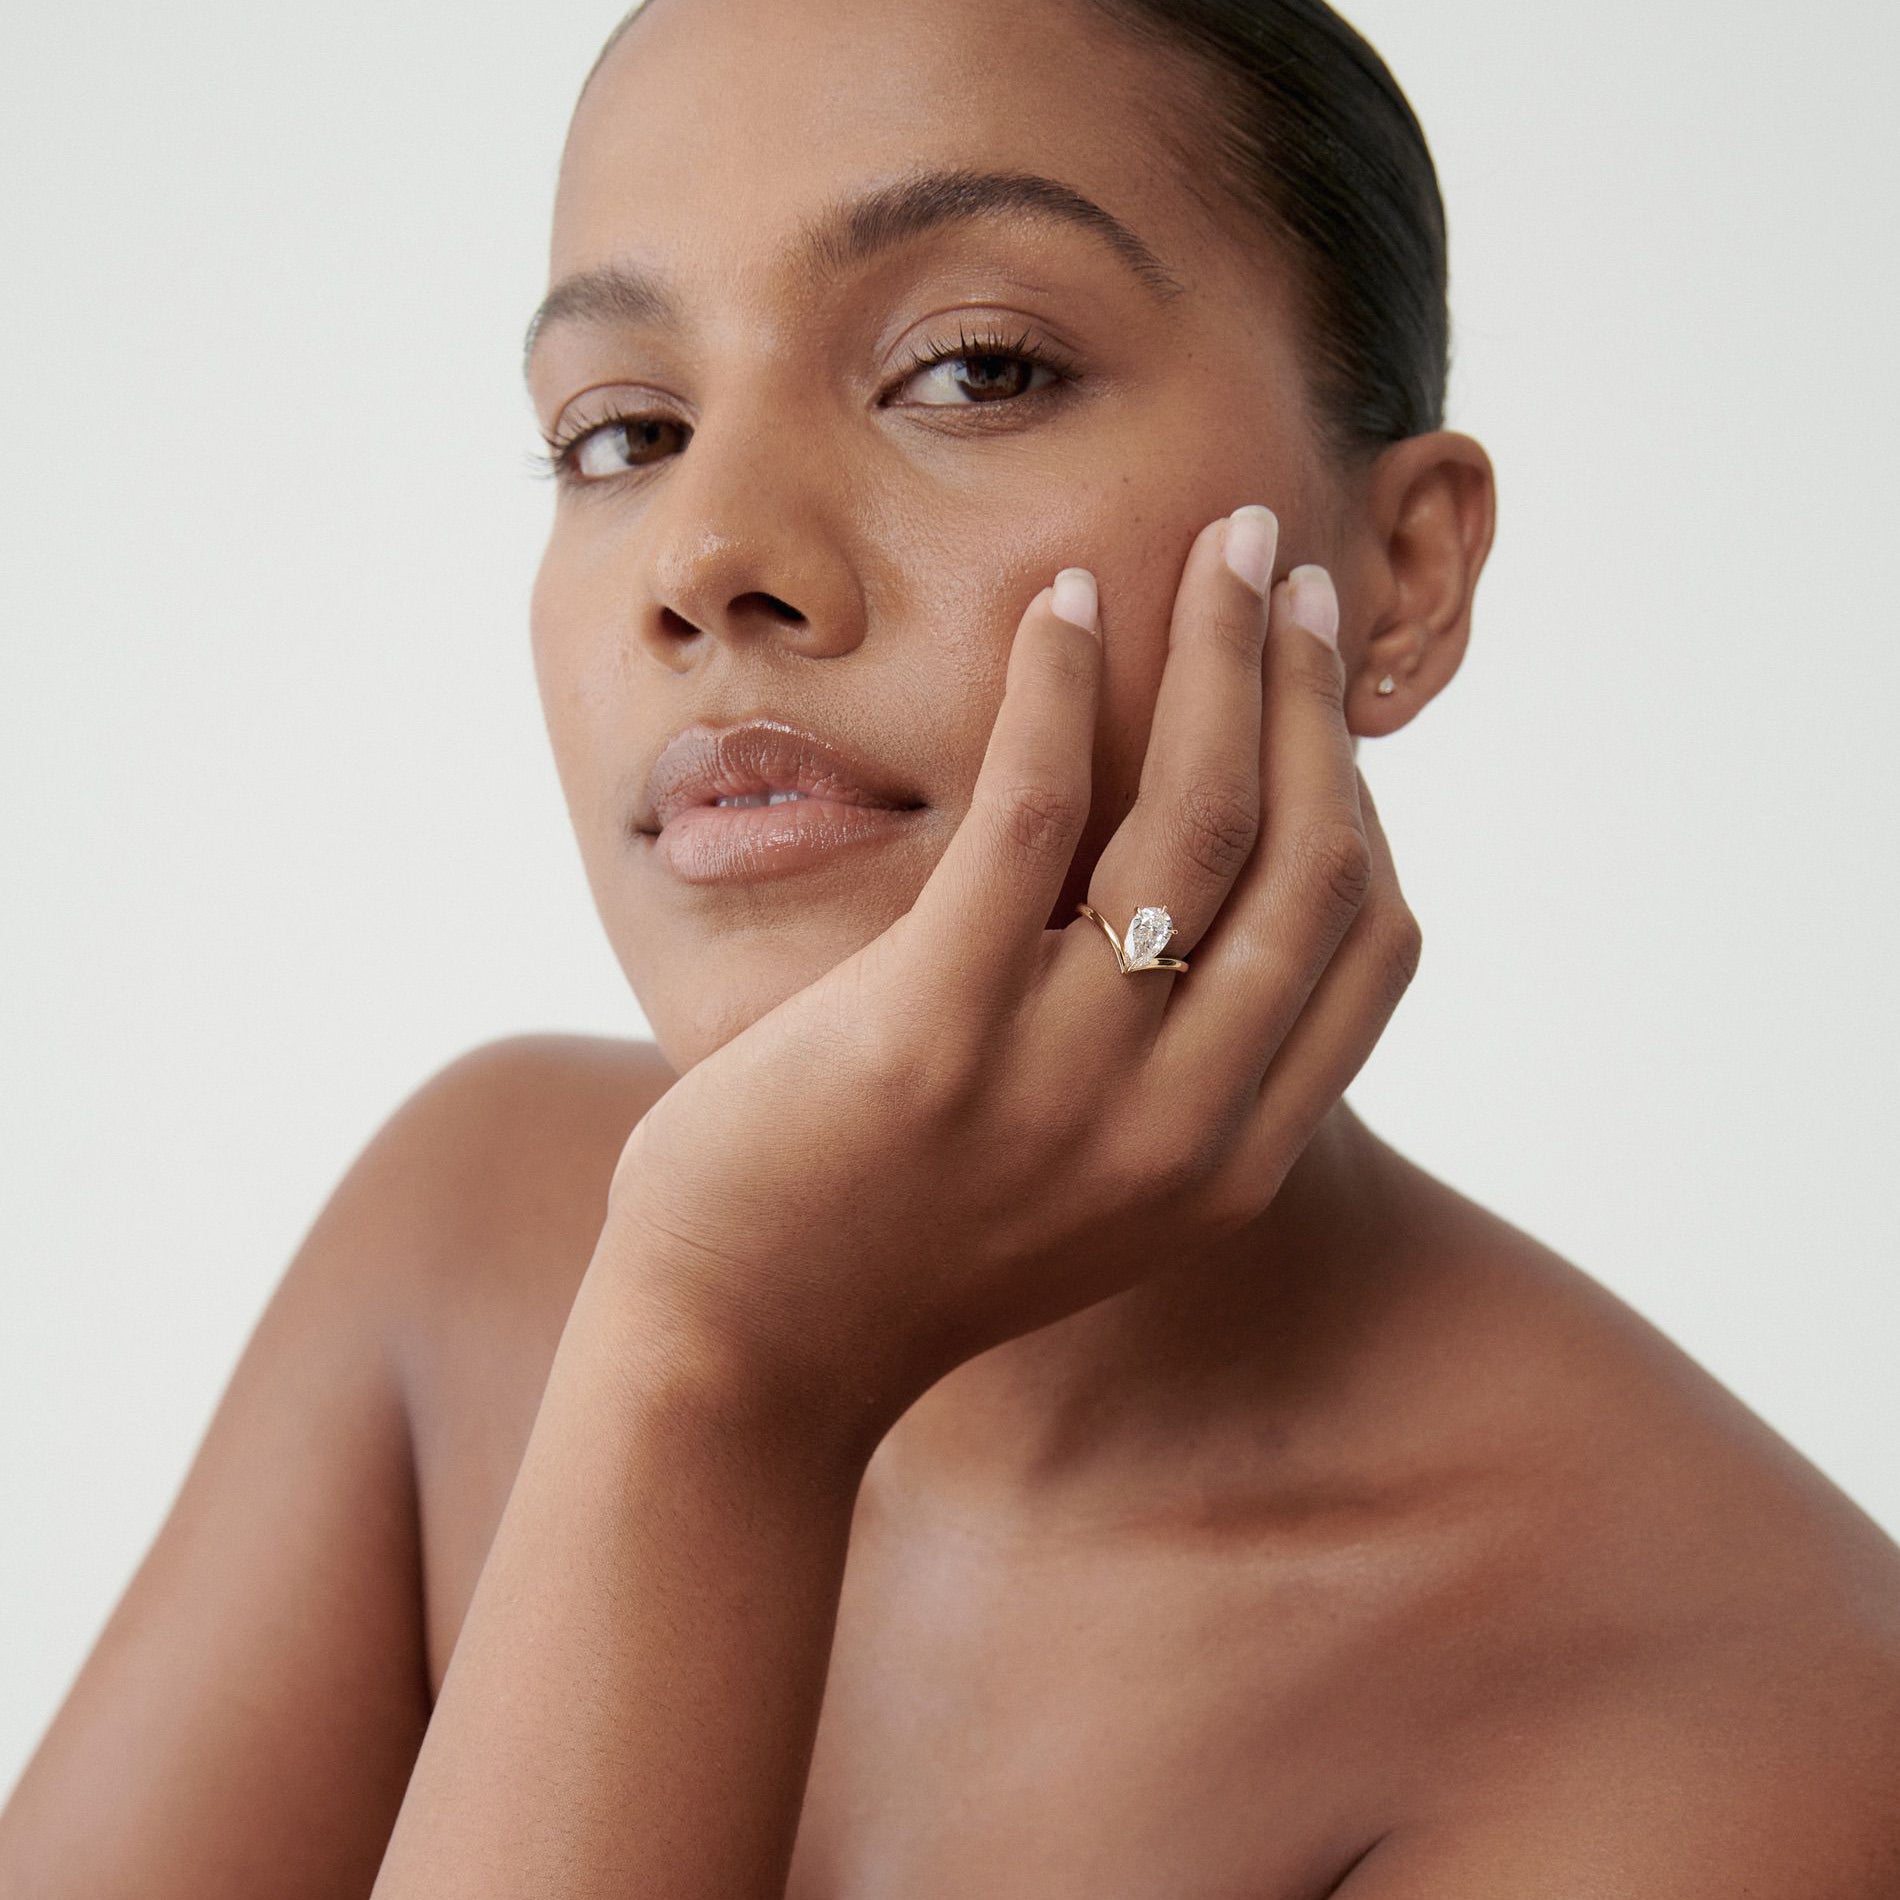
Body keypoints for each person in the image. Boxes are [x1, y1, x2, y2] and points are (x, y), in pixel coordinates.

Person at [5, 0, 1898, 1891]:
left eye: (975, 370)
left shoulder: (1757, 1714)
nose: (704, 555)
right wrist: (706, 1350)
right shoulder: (463, 1241)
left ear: (1402, 573)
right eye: (625, 432)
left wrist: (725, 1372)